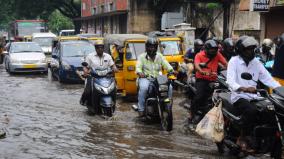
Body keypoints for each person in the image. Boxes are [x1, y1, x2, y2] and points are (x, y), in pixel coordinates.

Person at [226, 36, 280, 152]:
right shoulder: (234, 61)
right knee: (251, 111)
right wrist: (244, 88)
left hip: (255, 96)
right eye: (248, 49)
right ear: (241, 50)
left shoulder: (256, 62)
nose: (251, 51)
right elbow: (230, 81)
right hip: (239, 96)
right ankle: (243, 137)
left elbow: (267, 78)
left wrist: (280, 89)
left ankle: (264, 138)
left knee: (271, 110)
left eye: (252, 48)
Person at [189, 39, 227, 124]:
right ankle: (192, 114)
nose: (213, 51)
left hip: (215, 79)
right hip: (202, 79)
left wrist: (230, 69)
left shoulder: (217, 54)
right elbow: (197, 65)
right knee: (199, 96)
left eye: (215, 49)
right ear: (206, 49)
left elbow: (225, 63)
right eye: (211, 49)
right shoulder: (199, 55)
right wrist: (202, 71)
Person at [136, 37, 174, 117]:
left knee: (169, 86)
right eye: (150, 46)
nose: (152, 48)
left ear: (156, 47)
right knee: (143, 88)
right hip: (146, 78)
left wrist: (171, 70)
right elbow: (138, 67)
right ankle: (141, 109)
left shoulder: (160, 56)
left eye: (153, 46)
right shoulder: (141, 57)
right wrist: (140, 72)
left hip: (159, 78)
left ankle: (169, 105)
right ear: (146, 47)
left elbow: (166, 64)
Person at [80, 40, 118, 108]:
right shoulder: (90, 56)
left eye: (101, 47)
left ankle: (114, 103)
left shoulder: (108, 56)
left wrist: (115, 68)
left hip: (106, 77)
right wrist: (86, 72)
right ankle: (84, 101)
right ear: (95, 48)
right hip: (93, 77)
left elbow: (113, 65)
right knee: (88, 90)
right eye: (98, 47)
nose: (100, 49)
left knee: (114, 88)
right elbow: (85, 67)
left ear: (103, 48)